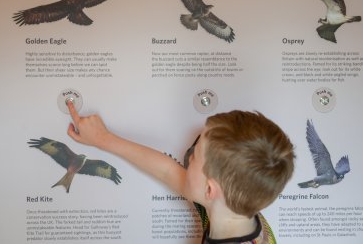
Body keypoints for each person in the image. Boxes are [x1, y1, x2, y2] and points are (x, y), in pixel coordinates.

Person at [67, 102, 294, 243]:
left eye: (194, 156)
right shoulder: (236, 208)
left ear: (209, 189)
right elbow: (168, 172)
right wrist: (102, 139)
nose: (188, 156)